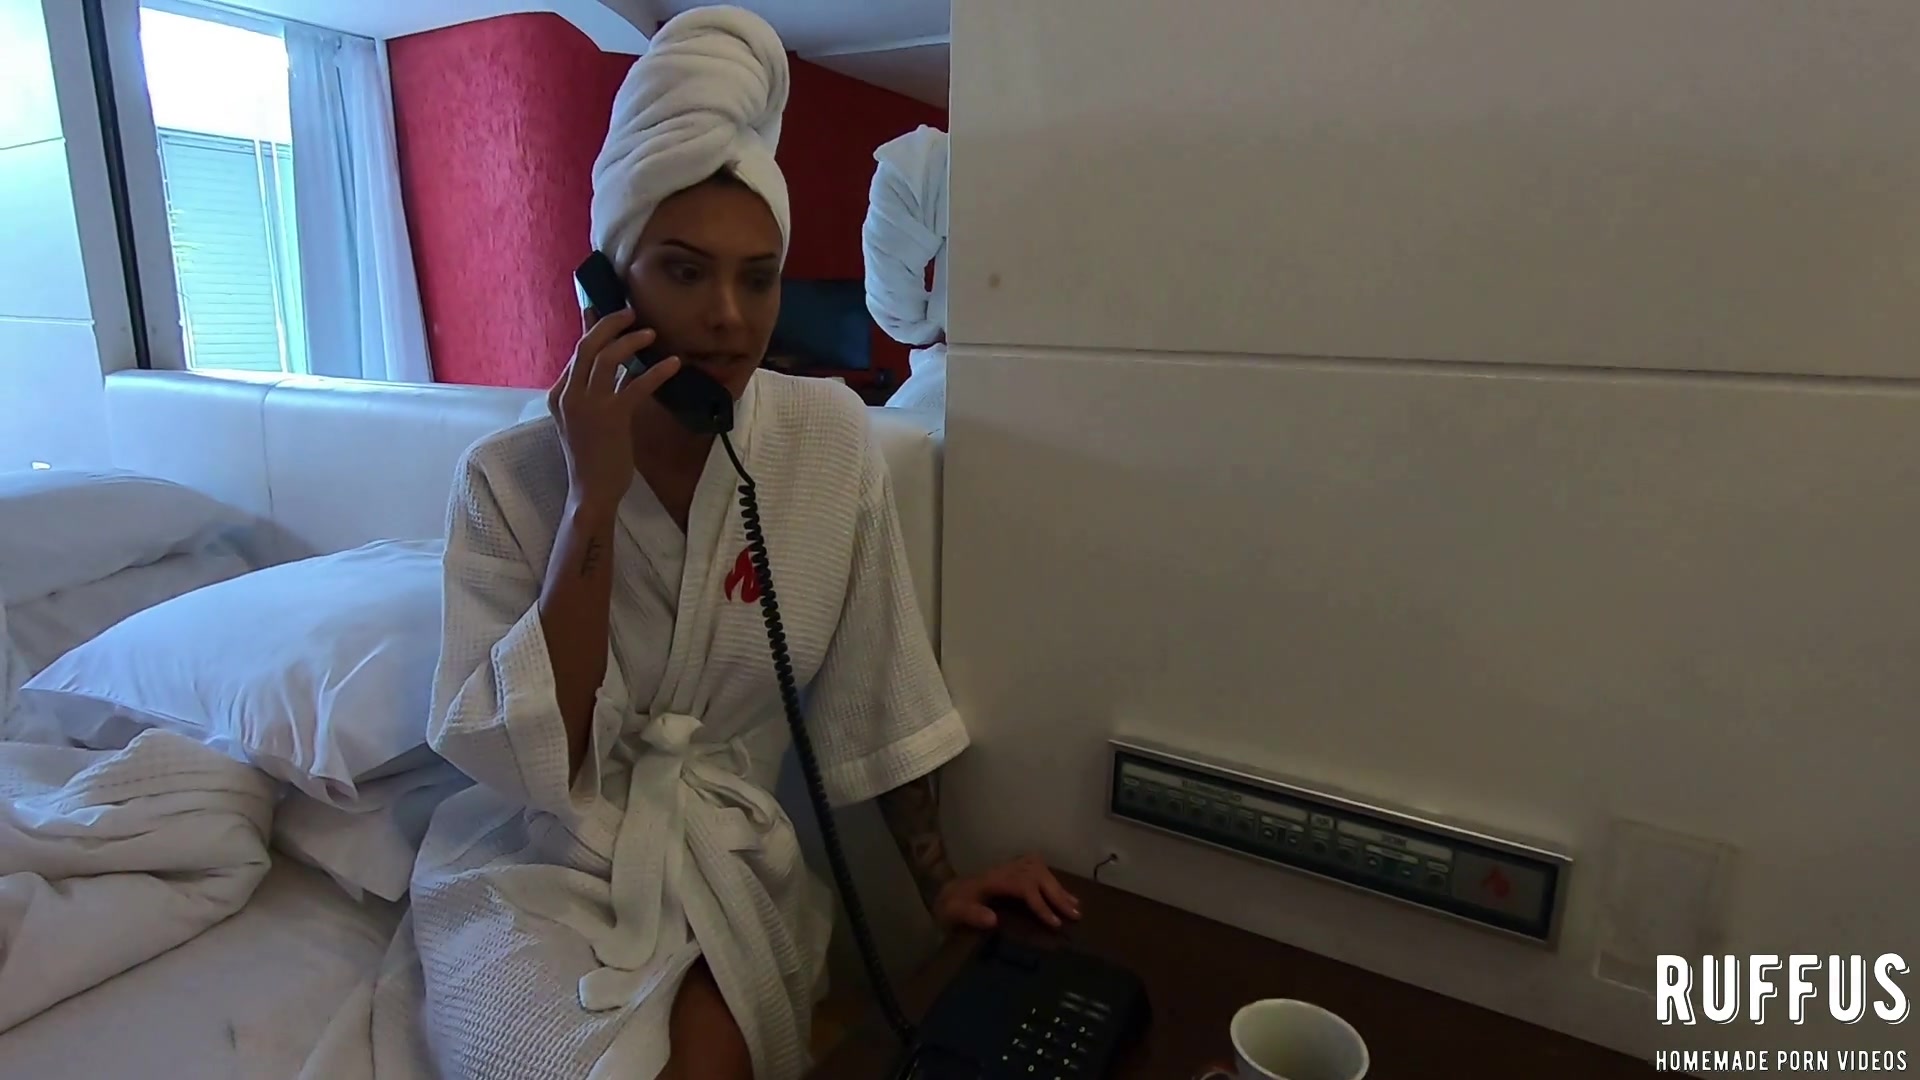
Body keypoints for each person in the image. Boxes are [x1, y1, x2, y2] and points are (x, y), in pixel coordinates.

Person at [401, 8, 1075, 1080]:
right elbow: (533, 758)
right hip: (535, 866)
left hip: (727, 859)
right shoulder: (506, 480)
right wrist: (590, 500)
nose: (728, 316)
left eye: (757, 277)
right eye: (683, 271)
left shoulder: (827, 442)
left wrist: (942, 885)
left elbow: (877, 686)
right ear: (608, 285)